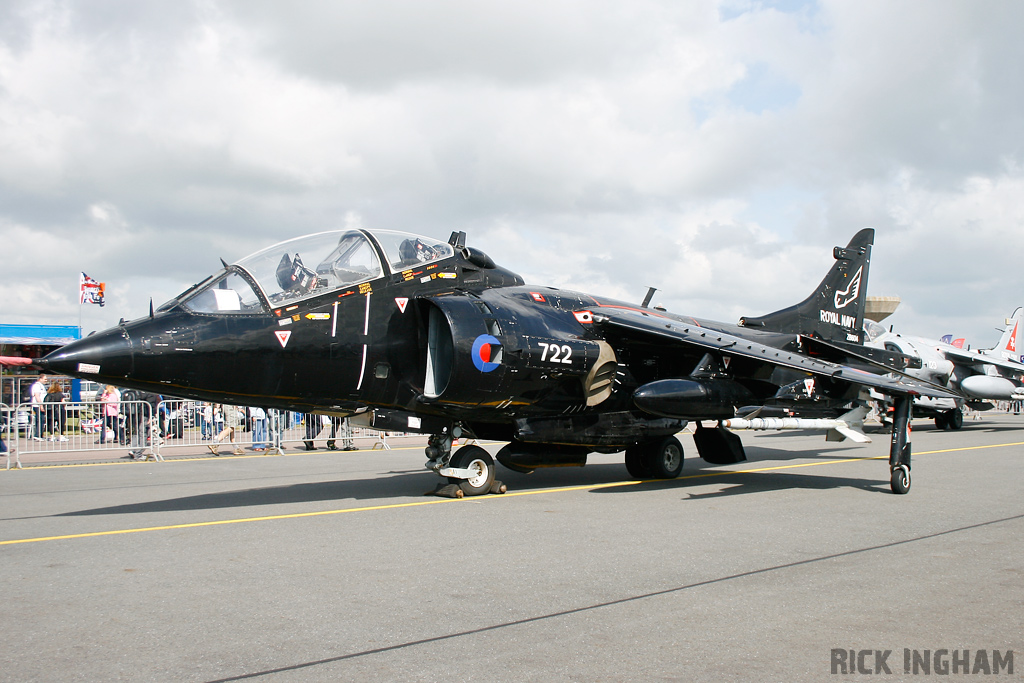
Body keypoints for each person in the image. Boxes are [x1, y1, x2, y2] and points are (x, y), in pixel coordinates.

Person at [30, 375, 47, 441]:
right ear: (40, 379)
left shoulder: (41, 385)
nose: (46, 380)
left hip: (40, 405)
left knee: (42, 420)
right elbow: (37, 396)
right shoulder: (37, 386)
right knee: (40, 420)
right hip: (37, 405)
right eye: (45, 379)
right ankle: (37, 435)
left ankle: (40, 434)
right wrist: (41, 405)